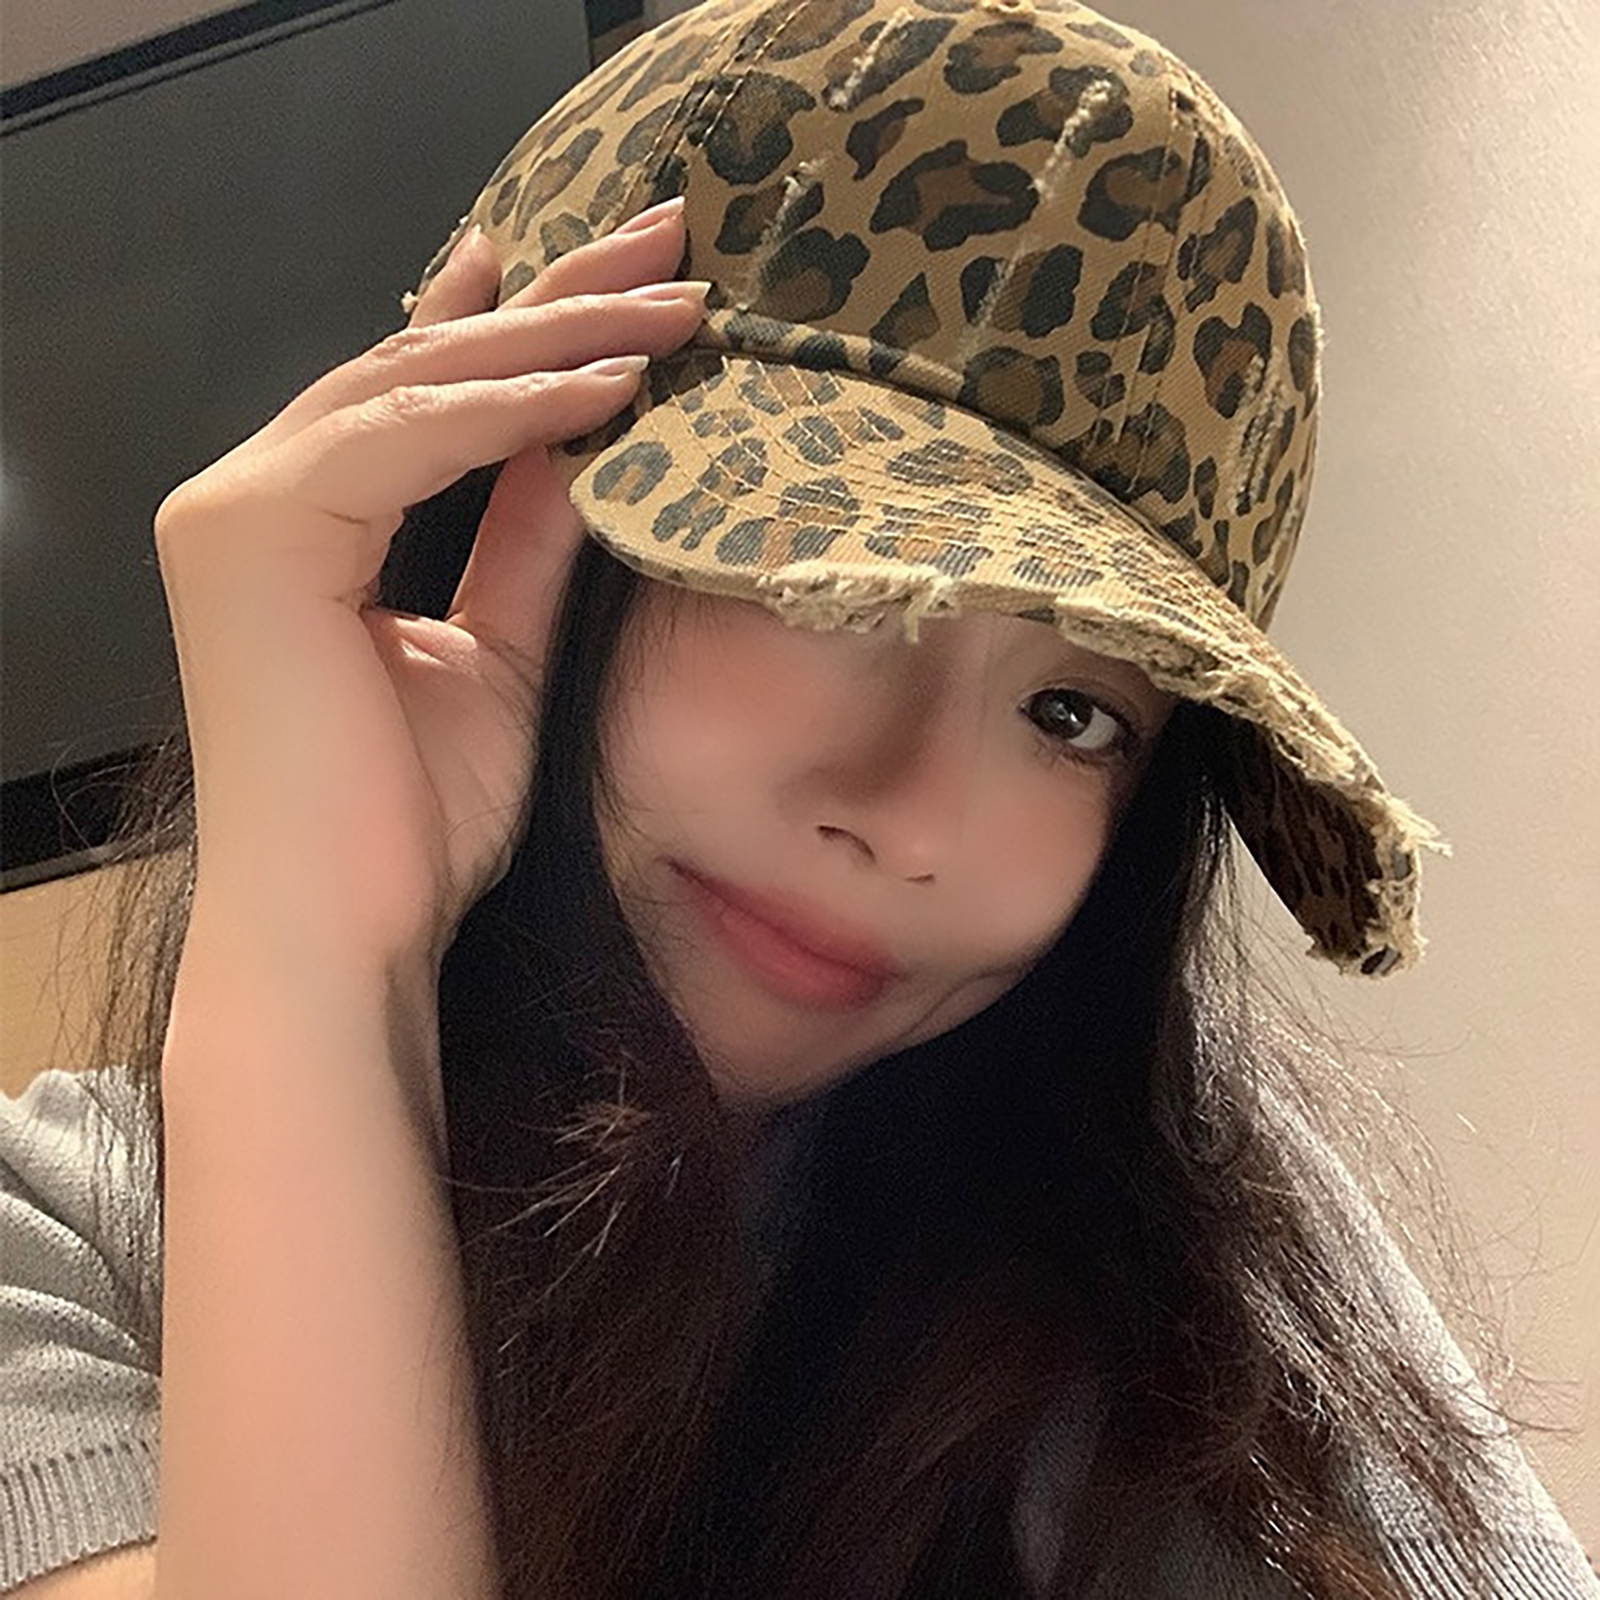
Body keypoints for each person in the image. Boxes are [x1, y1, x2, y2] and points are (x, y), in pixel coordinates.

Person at [1, 0, 1595, 1595]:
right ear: (501, 491)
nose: (910, 817)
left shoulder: (1171, 1227)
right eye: (824, 589)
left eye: (1072, 713)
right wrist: (318, 965)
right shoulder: (64, 1236)